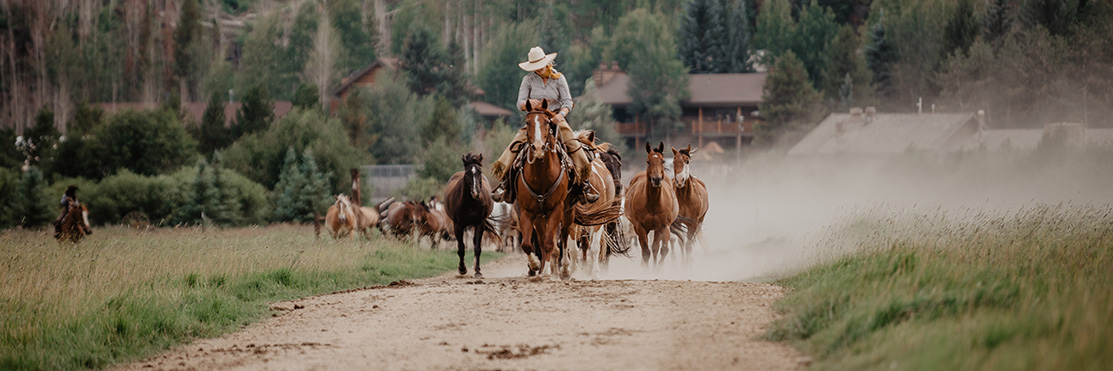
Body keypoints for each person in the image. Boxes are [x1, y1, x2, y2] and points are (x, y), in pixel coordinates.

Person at [490, 46, 598, 204]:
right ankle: (504, 183)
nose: (538, 69)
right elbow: (519, 103)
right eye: (534, 66)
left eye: (539, 64)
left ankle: (584, 185)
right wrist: (528, 103)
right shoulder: (528, 80)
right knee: (515, 144)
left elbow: (567, 102)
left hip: (555, 117)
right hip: (535, 120)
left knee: (573, 144)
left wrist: (561, 115)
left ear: (546, 62)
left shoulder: (559, 78)